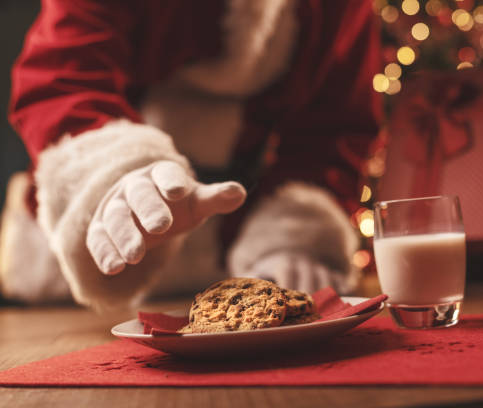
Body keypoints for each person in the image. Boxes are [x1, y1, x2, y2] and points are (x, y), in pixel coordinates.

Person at [0, 0, 382, 309]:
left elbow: (335, 128)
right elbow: (63, 81)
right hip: (69, 293)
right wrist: (113, 176)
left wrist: (294, 236)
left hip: (238, 263)